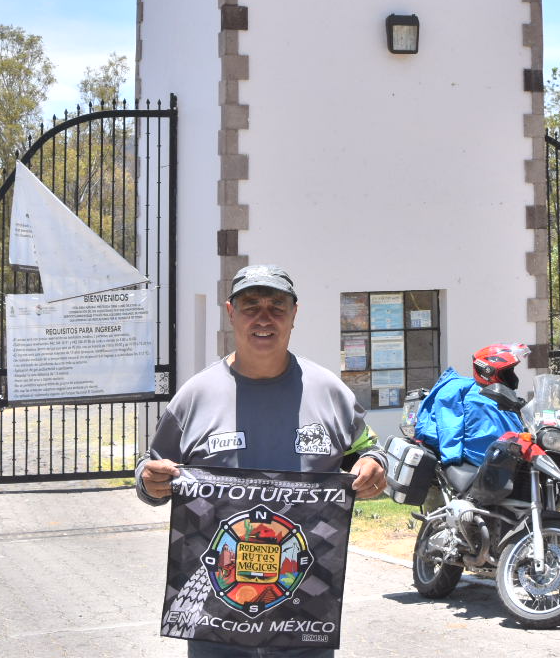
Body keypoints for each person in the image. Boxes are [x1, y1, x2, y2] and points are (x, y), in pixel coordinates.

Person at [136, 263, 388, 658]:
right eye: (251, 306)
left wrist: (374, 465)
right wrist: (149, 481)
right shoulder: (194, 396)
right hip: (216, 625)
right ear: (231, 313)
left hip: (304, 620)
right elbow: (151, 471)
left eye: (277, 306)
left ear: (294, 314)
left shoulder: (329, 392)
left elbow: (367, 450)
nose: (264, 318)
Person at [414, 343, 528, 465]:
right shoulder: (470, 395)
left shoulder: (499, 396)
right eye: (508, 372)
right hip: (484, 464)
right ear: (488, 371)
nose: (512, 376)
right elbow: (450, 424)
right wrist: (451, 459)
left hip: (507, 459)